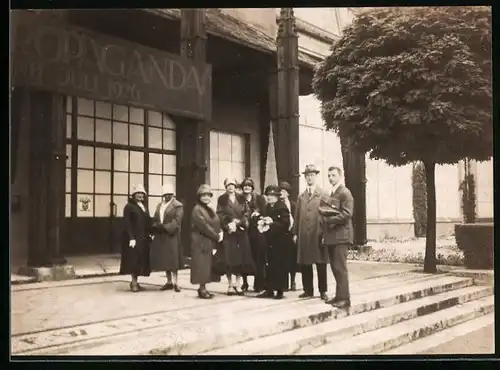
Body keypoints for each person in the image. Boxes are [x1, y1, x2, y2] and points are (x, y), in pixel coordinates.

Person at [293, 164, 329, 301]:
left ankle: (323, 290)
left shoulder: (323, 194)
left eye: (312, 175)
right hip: (303, 233)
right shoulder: (301, 196)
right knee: (305, 262)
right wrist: (295, 233)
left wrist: (326, 233)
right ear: (305, 177)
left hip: (318, 233)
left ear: (316, 176)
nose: (309, 177)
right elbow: (297, 215)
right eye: (307, 175)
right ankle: (308, 290)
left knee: (320, 262)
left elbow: (327, 215)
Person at [320, 166, 354, 309]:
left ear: (340, 176)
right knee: (335, 267)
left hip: (341, 236)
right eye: (329, 175)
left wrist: (329, 221)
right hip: (333, 236)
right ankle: (339, 296)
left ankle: (345, 299)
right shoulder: (332, 193)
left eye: (333, 175)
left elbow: (347, 214)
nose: (330, 178)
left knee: (340, 267)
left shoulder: (345, 193)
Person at [217, 178, 255, 296]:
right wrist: (228, 223)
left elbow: (247, 212)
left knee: (240, 259)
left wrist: (239, 222)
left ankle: (238, 285)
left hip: (240, 231)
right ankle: (230, 285)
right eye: (228, 185)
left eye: (232, 185)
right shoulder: (222, 199)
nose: (230, 187)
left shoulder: (241, 198)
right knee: (229, 259)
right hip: (229, 233)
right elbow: (219, 214)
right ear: (225, 187)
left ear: (235, 186)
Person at [190, 184, 224, 299]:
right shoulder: (197, 209)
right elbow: (203, 226)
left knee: (206, 266)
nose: (206, 198)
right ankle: (202, 289)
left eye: (208, 195)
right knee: (201, 265)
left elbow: (216, 222)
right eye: (203, 195)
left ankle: (203, 288)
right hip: (200, 241)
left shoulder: (210, 209)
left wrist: (220, 232)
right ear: (199, 196)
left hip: (208, 241)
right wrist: (216, 236)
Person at [257, 185, 291, 300]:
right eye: (268, 195)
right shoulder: (266, 207)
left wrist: (272, 224)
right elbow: (261, 217)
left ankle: (280, 290)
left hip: (280, 241)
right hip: (268, 241)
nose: (270, 198)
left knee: (279, 265)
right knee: (269, 265)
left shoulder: (282, 207)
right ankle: (269, 289)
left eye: (273, 196)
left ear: (277, 197)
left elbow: (285, 224)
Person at [150, 184, 184, 292]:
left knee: (173, 258)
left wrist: (164, 227)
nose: (167, 196)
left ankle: (176, 282)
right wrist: (156, 226)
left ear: (172, 195)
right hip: (162, 235)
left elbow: (177, 222)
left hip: (171, 235)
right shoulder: (160, 205)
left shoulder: (178, 206)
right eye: (165, 195)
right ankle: (169, 281)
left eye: (169, 194)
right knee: (165, 259)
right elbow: (155, 218)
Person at [119, 184, 152, 292]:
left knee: (140, 261)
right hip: (134, 239)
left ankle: (136, 282)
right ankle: (133, 283)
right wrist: (131, 237)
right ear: (133, 195)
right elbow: (127, 223)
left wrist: (151, 232)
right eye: (137, 193)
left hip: (143, 238)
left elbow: (147, 222)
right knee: (134, 260)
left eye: (141, 193)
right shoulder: (129, 207)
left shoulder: (143, 206)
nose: (140, 195)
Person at [240, 177, 267, 293]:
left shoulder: (259, 199)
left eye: (249, 185)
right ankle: (244, 282)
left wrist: (259, 212)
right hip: (243, 232)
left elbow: (265, 211)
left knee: (258, 257)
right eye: (245, 185)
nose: (247, 187)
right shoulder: (239, 199)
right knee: (244, 257)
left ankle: (258, 283)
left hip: (256, 232)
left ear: (252, 188)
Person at [279, 181, 298, 292]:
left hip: (292, 233)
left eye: (284, 191)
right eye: (280, 191)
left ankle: (293, 281)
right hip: (282, 234)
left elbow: (296, 218)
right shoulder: (278, 204)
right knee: (283, 259)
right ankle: (284, 283)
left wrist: (295, 232)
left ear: (288, 193)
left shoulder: (293, 204)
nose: (282, 193)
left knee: (292, 258)